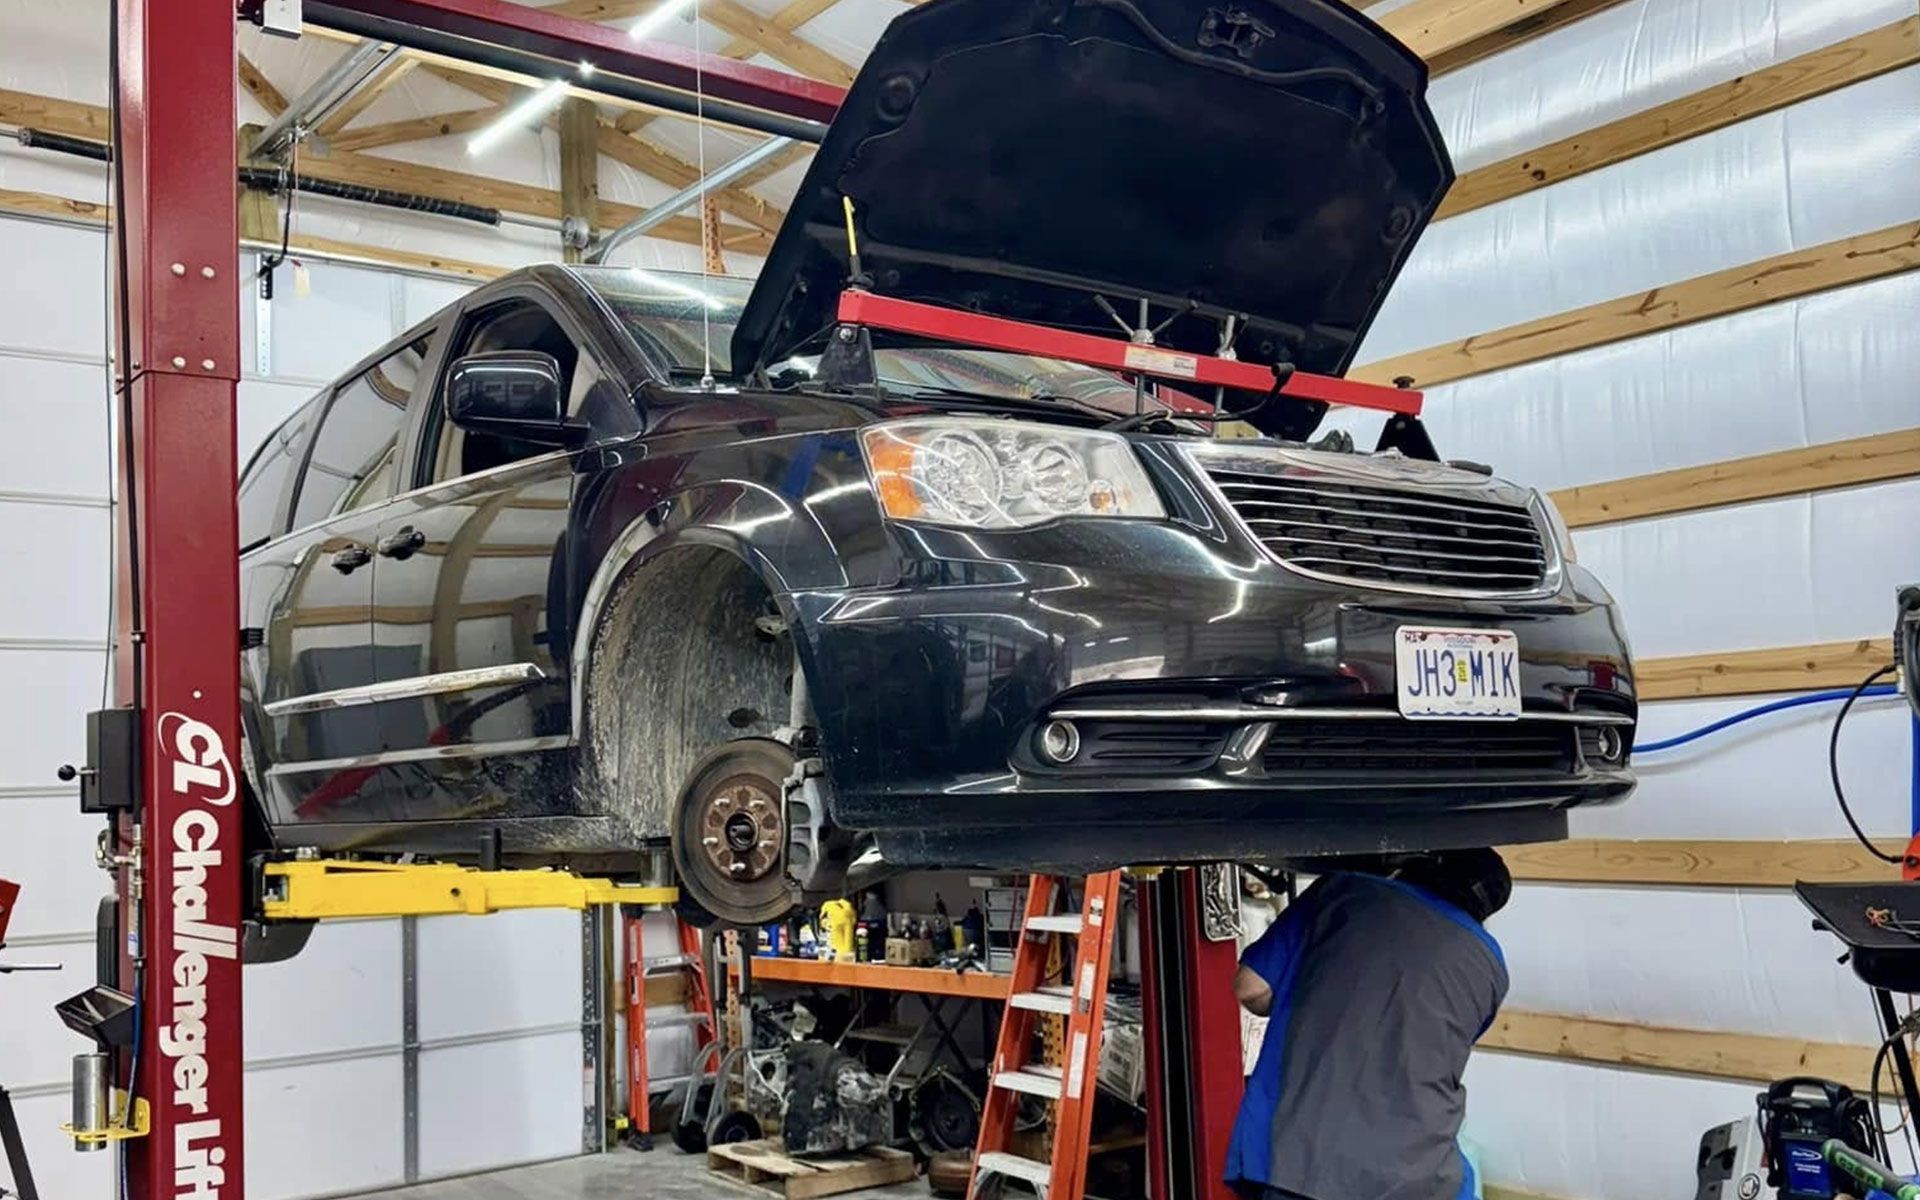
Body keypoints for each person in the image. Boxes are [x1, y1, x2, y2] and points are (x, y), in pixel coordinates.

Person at [1227, 849, 1513, 1200]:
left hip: (1305, 1162)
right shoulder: (1491, 965)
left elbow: (1252, 988)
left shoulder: (1344, 891)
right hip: (1424, 1178)